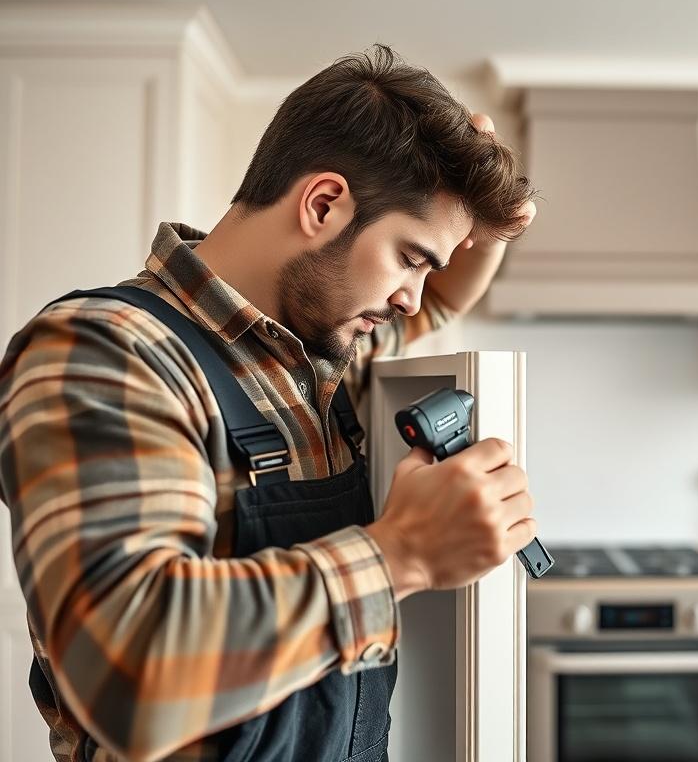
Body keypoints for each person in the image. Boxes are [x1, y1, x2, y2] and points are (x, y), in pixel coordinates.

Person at [0, 43, 539, 762]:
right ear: (323, 204)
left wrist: (490, 220)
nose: (411, 295)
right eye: (410, 256)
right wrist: (403, 553)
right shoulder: (104, 352)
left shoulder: (318, 354)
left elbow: (438, 297)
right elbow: (124, 672)